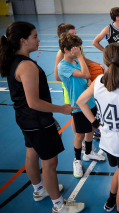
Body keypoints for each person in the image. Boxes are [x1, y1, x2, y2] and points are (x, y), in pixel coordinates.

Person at [0, 22, 84, 213]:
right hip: (37, 121)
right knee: (50, 163)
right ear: (23, 40)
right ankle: (59, 205)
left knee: (32, 153)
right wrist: (61, 109)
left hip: (25, 119)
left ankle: (39, 190)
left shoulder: (14, 60)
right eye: (35, 36)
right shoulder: (26, 66)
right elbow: (34, 102)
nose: (39, 40)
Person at [77, 43, 119, 213]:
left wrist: (96, 124)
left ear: (105, 61)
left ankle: (111, 199)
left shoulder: (97, 81)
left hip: (107, 142)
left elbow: (80, 102)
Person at [58, 33, 105, 179]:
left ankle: (88, 153)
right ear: (66, 50)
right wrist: (80, 57)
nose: (78, 50)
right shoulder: (63, 66)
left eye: (79, 48)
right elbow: (85, 74)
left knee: (91, 128)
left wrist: (90, 83)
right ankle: (77, 160)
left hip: (89, 102)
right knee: (79, 135)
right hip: (78, 105)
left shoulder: (76, 62)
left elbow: (86, 78)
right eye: (75, 48)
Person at [54, 23, 102, 141]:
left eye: (75, 33)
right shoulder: (62, 54)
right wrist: (74, 76)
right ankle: (79, 138)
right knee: (75, 115)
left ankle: (88, 135)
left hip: (81, 82)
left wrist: (96, 65)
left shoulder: (77, 48)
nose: (75, 36)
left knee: (88, 110)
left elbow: (83, 60)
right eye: (72, 34)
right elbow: (57, 76)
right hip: (71, 87)